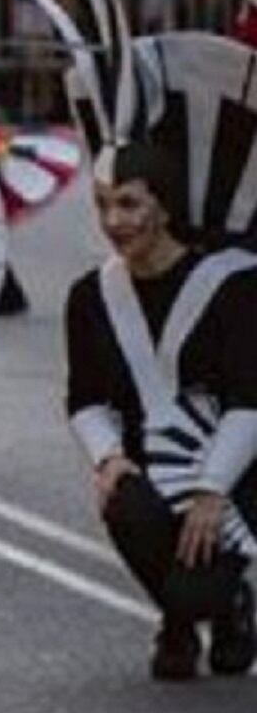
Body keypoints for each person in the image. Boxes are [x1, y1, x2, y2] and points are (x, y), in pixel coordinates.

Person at [63, 142, 257, 681]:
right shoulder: (90, 296)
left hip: (239, 472)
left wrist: (213, 489)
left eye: (129, 204)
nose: (113, 221)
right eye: (102, 204)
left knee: (200, 589)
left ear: (164, 208)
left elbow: (251, 398)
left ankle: (222, 606)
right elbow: (83, 399)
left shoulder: (235, 285)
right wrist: (108, 457)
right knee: (124, 500)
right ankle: (181, 619)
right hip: (151, 462)